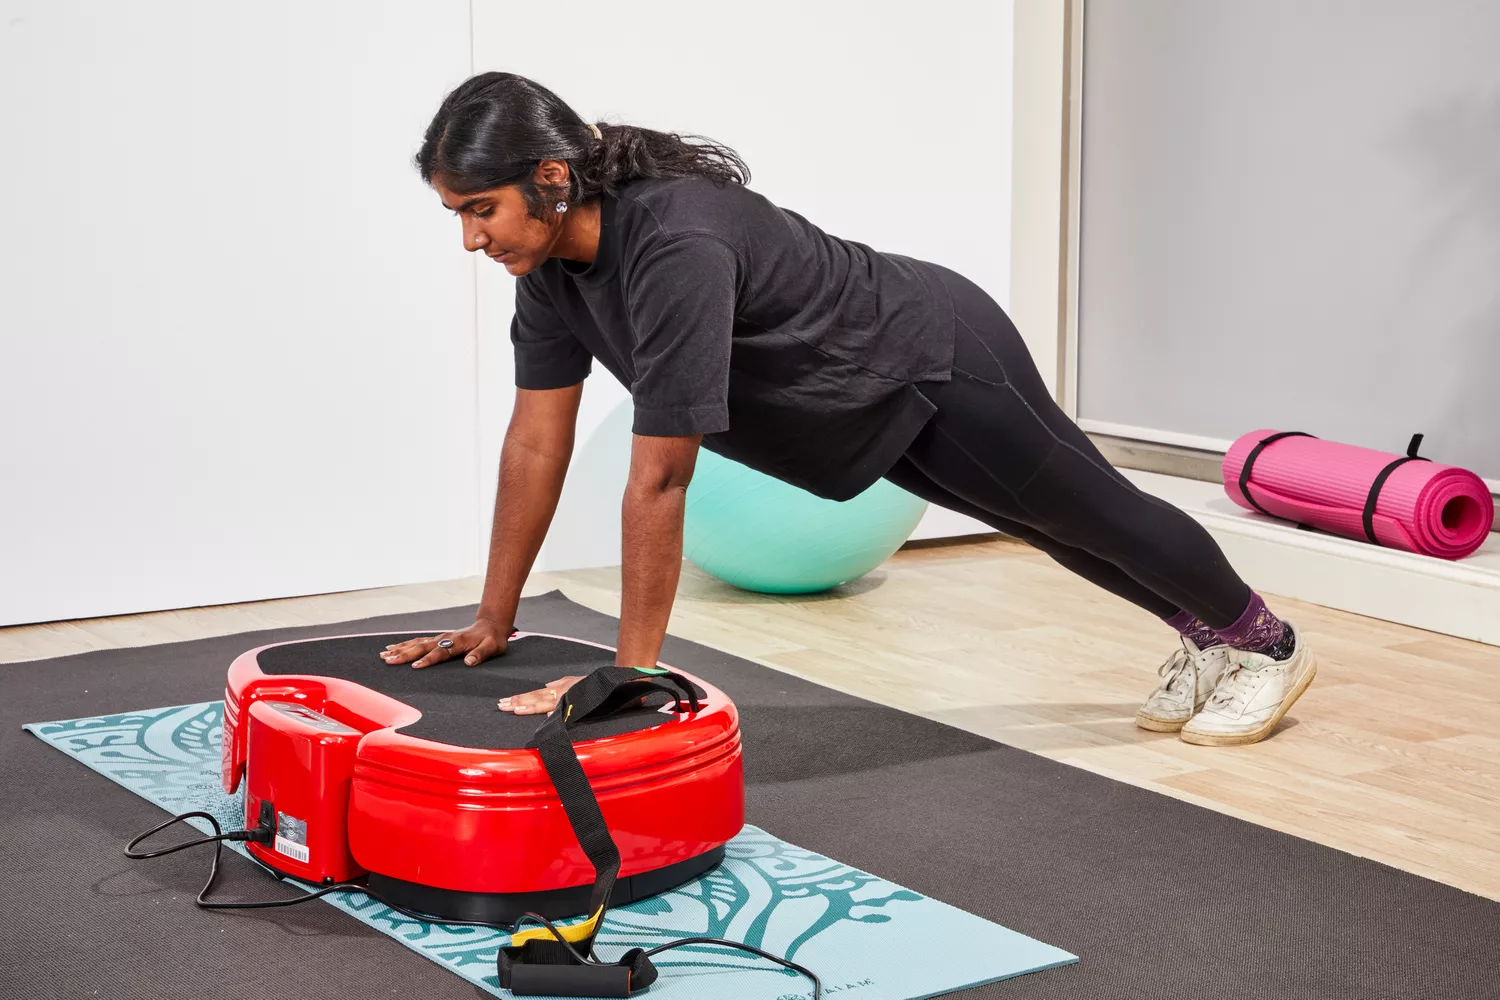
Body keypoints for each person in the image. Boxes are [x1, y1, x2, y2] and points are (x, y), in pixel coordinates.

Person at [379, 72, 1316, 747]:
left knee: (1088, 509)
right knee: (1041, 524)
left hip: (930, 356)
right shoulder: (547, 274)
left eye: (481, 208)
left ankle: (1265, 644)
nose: (470, 238)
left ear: (550, 178)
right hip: (856, 400)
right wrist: (492, 616)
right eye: (456, 214)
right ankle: (1206, 635)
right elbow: (534, 444)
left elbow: (662, 476)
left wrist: (631, 677)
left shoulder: (672, 244)